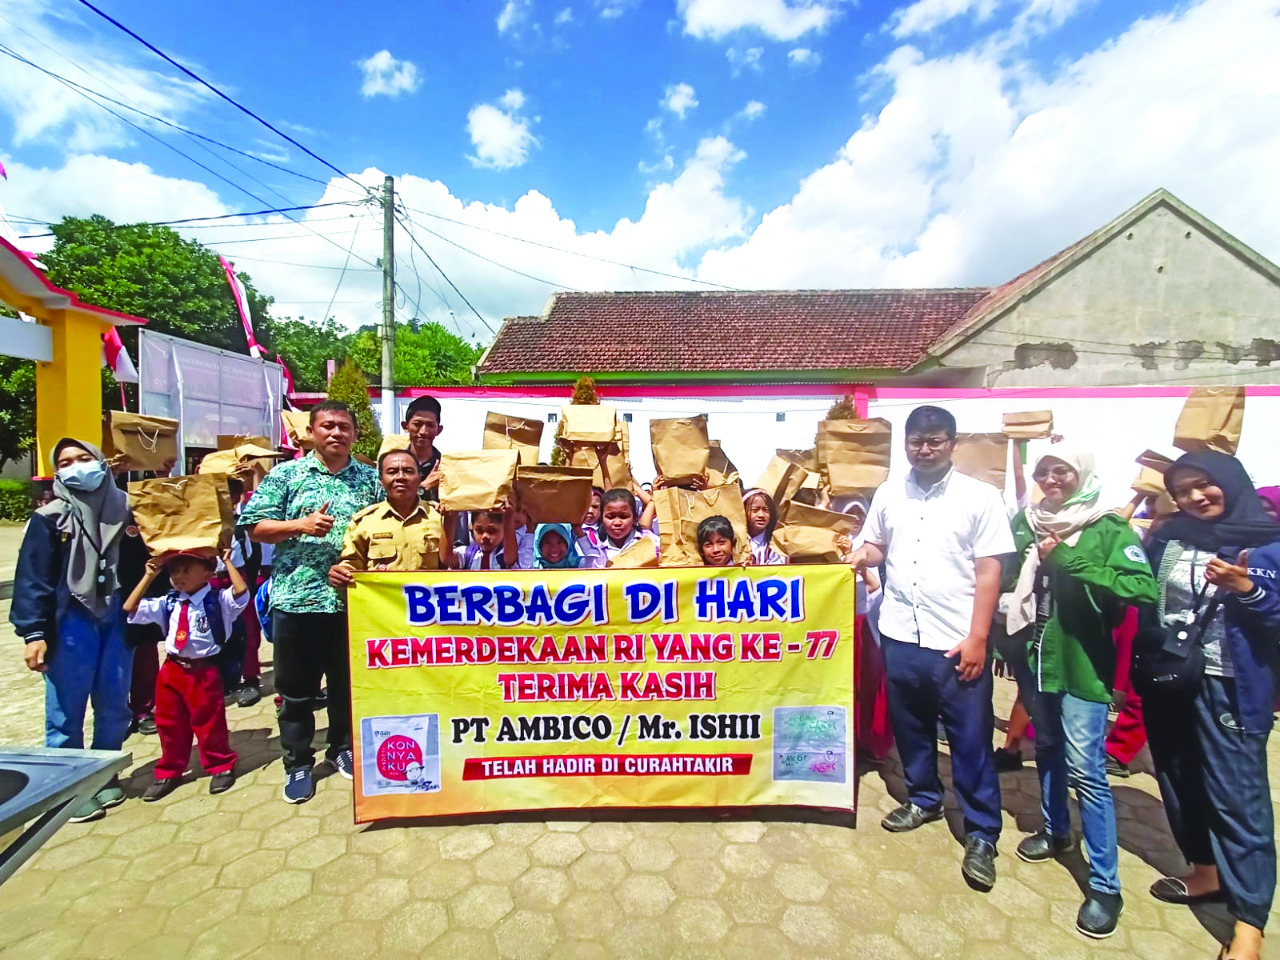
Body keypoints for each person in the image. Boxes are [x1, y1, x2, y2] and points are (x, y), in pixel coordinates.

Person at [850, 406, 1014, 891]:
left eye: (935, 441)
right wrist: (862, 553)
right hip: (899, 632)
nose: (924, 450)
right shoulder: (888, 492)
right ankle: (923, 798)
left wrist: (979, 637)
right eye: (917, 441)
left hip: (956, 640)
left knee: (970, 739)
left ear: (952, 443)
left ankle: (983, 830)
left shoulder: (981, 497)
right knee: (912, 726)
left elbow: (990, 570)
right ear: (906, 443)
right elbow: (879, 544)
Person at [1004, 447, 1158, 938]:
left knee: (1087, 771)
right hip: (1035, 658)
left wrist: (1067, 559)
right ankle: (1055, 831)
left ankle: (1105, 885)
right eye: (1043, 471)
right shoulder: (1026, 520)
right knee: (1046, 748)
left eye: (1061, 471)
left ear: (1082, 475)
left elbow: (1142, 589)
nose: (1051, 480)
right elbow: (1008, 575)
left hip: (1081, 665)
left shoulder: (1107, 528)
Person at [1142, 451, 1280, 960]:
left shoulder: (1268, 542)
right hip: (1171, 679)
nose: (1195, 497)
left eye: (1204, 485)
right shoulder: (1172, 536)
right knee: (1178, 778)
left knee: (1237, 800)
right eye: (1183, 490)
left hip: (1230, 687)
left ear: (1230, 481)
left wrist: (1246, 588)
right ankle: (1205, 870)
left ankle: (1249, 923)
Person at [240, 400, 381, 804]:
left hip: (349, 603)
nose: (336, 433)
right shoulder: (287, 475)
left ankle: (341, 748)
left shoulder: (368, 480)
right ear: (312, 432)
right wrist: (299, 525)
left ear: (354, 434)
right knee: (296, 690)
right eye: (328, 426)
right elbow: (254, 527)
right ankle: (298, 762)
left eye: (344, 427)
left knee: (345, 686)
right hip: (296, 600)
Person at [10, 438, 133, 823]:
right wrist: (34, 633)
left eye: (85, 458)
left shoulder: (127, 510)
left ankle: (103, 771)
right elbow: (33, 579)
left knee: (114, 703)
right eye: (65, 462)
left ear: (101, 463)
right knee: (66, 707)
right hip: (71, 621)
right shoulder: (49, 518)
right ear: (56, 471)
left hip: (117, 616)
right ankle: (67, 788)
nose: (76, 466)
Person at [124, 549, 249, 801]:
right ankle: (169, 769)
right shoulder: (168, 602)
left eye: (185, 570)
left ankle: (220, 764)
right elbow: (130, 606)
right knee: (168, 723)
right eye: (173, 571)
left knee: (209, 722)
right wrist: (150, 575)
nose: (178, 577)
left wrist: (226, 560)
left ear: (207, 573)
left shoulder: (218, 601)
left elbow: (241, 592)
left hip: (203, 671)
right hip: (172, 669)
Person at [329, 450, 445, 589]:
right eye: (392, 472)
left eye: (408, 471)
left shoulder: (439, 518)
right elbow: (351, 564)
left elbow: (454, 565)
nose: (400, 477)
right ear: (381, 481)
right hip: (381, 608)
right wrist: (341, 573)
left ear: (419, 478)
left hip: (427, 608)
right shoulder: (364, 522)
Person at [441, 507, 521, 570]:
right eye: (479, 530)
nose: (485, 536)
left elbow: (510, 559)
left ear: (504, 528)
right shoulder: (468, 554)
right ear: (471, 527)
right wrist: (449, 517)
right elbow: (446, 558)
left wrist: (508, 517)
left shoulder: (505, 553)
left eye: (492, 530)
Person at [598, 488, 659, 565]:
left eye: (624, 516)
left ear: (635, 518)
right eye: (610, 517)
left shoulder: (651, 541)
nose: (617, 522)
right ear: (601, 518)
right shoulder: (597, 550)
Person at [402, 395, 444, 501]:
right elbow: (389, 503)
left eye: (430, 425)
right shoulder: (394, 465)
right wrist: (424, 487)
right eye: (417, 424)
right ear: (405, 426)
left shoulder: (446, 467)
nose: (423, 432)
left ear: (439, 430)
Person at [743, 488, 787, 565]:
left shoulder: (776, 544)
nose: (761, 515)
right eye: (755, 510)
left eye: (766, 510)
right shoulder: (734, 541)